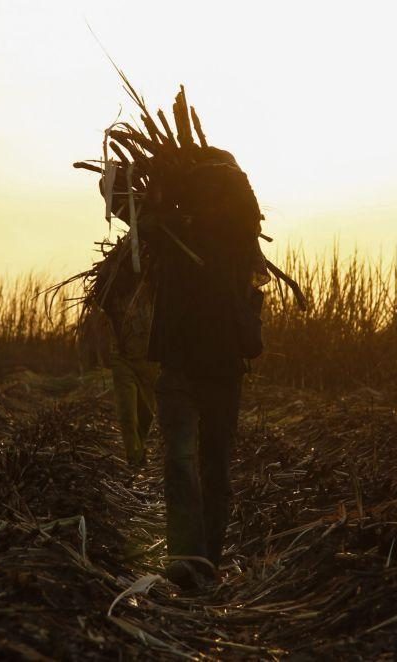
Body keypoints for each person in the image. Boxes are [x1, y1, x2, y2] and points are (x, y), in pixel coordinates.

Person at [148, 148, 268, 589]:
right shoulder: (168, 231)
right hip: (183, 366)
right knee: (185, 461)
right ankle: (188, 557)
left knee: (208, 466)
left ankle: (206, 561)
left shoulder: (241, 242)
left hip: (217, 369)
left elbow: (255, 289)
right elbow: (118, 199)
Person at [98, 259, 160, 468]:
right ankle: (134, 458)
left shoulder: (153, 281)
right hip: (122, 356)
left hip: (149, 357)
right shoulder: (112, 287)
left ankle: (139, 448)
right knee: (126, 412)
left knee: (146, 413)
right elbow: (102, 298)